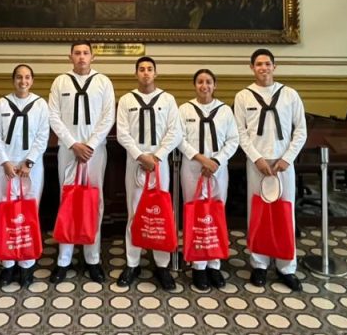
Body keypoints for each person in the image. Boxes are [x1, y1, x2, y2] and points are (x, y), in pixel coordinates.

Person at [233, 48, 307, 292]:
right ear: (251, 68)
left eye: (267, 64)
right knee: (258, 213)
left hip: (283, 164)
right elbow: (240, 132)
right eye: (258, 64)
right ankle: (259, 264)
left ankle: (287, 267)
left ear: (274, 67)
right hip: (258, 164)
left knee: (286, 213)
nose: (263, 68)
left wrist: (287, 158)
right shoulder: (243, 96)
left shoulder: (289, 95)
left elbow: (300, 130)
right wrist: (256, 159)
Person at [47, 41, 116, 283]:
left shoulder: (103, 82)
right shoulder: (60, 82)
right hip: (68, 151)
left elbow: (108, 116)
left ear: (92, 57)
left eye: (86, 53)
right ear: (70, 57)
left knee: (94, 202)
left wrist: (90, 144)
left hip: (95, 152)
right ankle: (64, 259)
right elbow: (53, 116)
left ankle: (92, 258)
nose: (82, 57)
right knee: (67, 200)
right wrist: (72, 144)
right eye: (77, 53)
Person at [115, 56, 183, 291]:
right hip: (135, 162)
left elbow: (175, 132)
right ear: (136, 73)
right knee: (134, 212)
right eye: (142, 69)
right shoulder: (126, 100)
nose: (146, 73)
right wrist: (140, 156)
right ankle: (132, 263)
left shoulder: (168, 99)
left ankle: (161, 265)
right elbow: (122, 133)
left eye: (149, 69)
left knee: (161, 212)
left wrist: (157, 156)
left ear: (156, 73)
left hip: (159, 164)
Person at [178, 68, 238, 291]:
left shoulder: (225, 111)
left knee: (215, 214)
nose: (204, 86)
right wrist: (202, 159)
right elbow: (179, 139)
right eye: (200, 82)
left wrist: (216, 161)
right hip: (193, 168)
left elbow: (233, 140)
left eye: (209, 82)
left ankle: (214, 263)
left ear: (215, 85)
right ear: (195, 85)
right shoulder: (184, 109)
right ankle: (198, 266)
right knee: (195, 214)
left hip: (218, 169)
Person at [0, 64, 50, 287]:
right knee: (6, 212)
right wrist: (5, 162)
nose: (23, 81)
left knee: (29, 213)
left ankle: (27, 263)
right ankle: (8, 264)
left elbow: (42, 136)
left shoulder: (40, 104)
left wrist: (29, 161)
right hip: (5, 166)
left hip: (31, 167)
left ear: (32, 80)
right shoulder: (1, 104)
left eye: (27, 77)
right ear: (13, 80)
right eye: (19, 77)